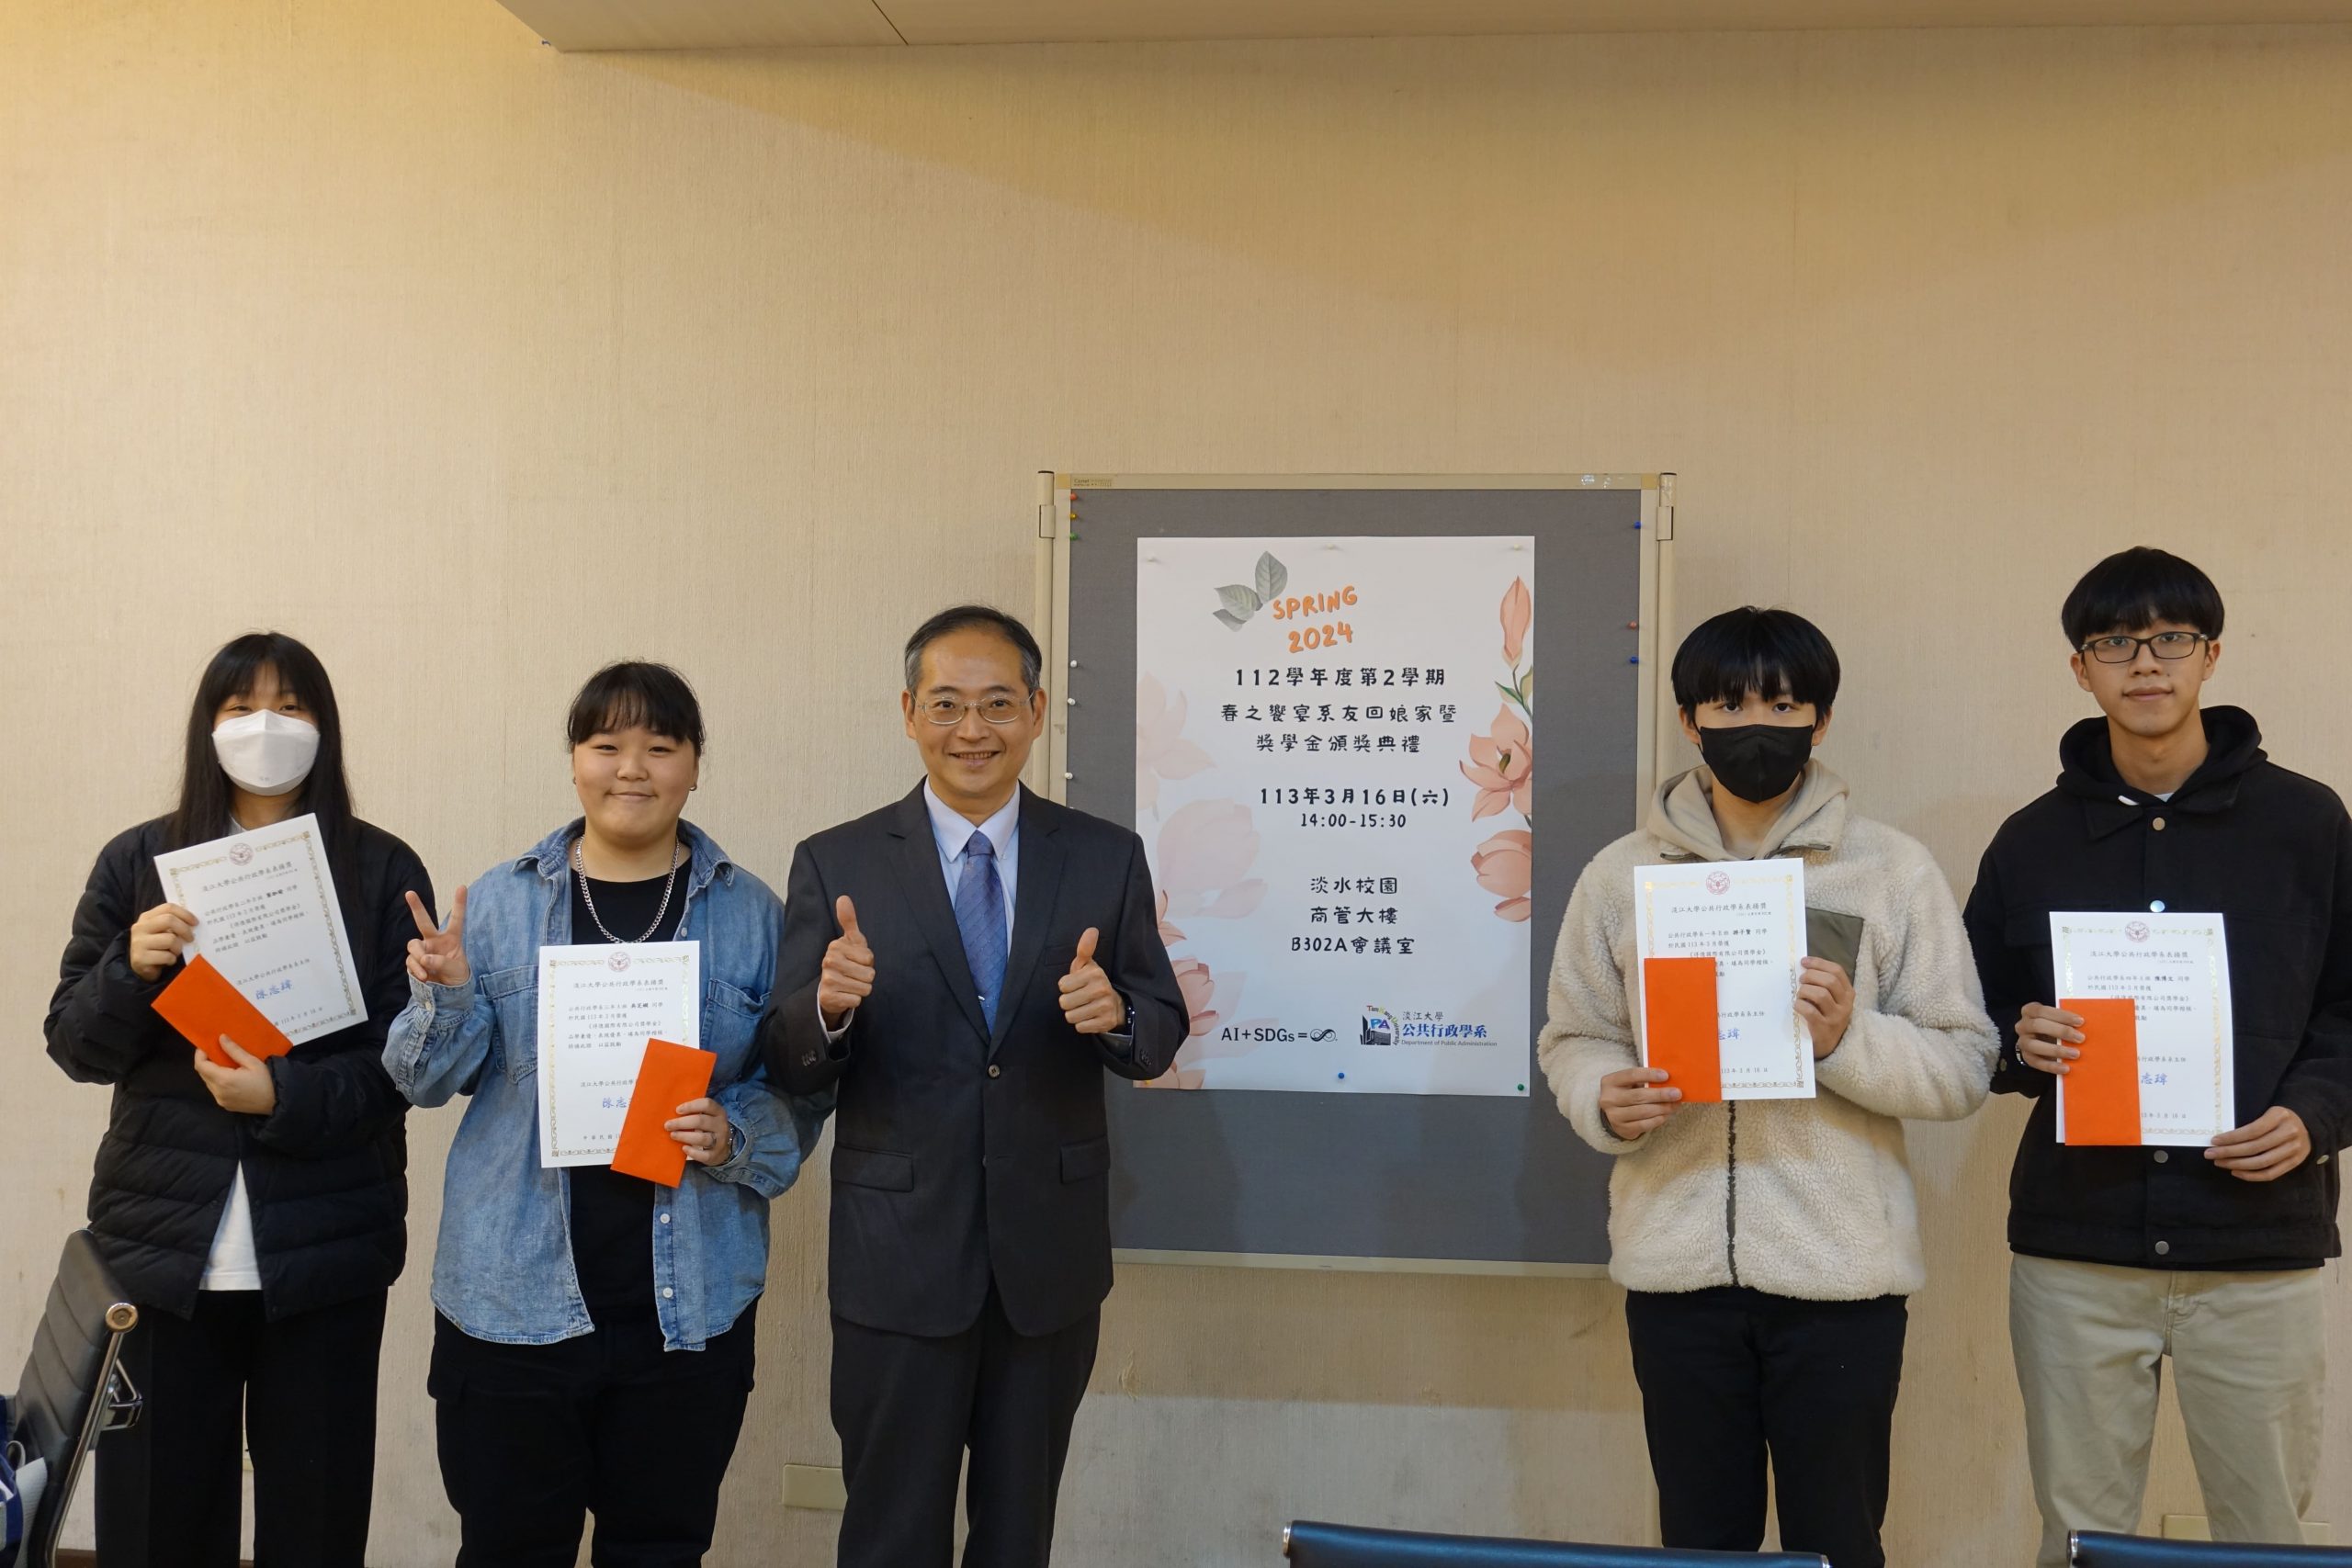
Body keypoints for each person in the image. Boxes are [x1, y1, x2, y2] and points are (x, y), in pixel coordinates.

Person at [1536, 606, 1996, 1568]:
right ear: (1688, 720)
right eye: (1729, 704)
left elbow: (1962, 1062)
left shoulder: (1890, 870)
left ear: (1820, 720)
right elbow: (1575, 1036)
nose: (1757, 725)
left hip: (1841, 1279)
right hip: (1675, 1275)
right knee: (1700, 1545)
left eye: (1783, 705)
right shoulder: (1621, 877)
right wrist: (1603, 1094)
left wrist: (1845, 1039)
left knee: (1837, 1543)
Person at [761, 604, 1188, 1568]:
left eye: (997, 703)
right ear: (908, 712)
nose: (972, 729)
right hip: (898, 1257)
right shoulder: (839, 860)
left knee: (1017, 1536)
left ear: (1035, 711)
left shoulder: (1105, 854)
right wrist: (827, 1006)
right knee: (890, 1534)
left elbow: (1160, 1028)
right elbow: (787, 1056)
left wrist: (1115, 1013)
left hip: (1048, 1262)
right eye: (947, 703)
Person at [384, 660, 823, 1568]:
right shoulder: (499, 903)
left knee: (659, 1550)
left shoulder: (752, 915)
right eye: (606, 744)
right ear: (574, 759)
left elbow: (800, 1089)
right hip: (512, 1302)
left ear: (694, 764)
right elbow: (424, 1082)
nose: (632, 768)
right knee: (507, 1550)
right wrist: (446, 993)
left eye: (660, 746)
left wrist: (731, 1134)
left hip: (688, 1305)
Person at [1963, 547, 2352, 1566]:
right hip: (2076, 1252)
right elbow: (1965, 1014)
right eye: (2114, 642)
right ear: (2079, 667)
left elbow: (2349, 1006)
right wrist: (2017, 1040)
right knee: (2080, 1538)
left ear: (2210, 655)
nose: (2145, 662)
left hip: (2256, 1243)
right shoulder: (2030, 841)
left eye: (2171, 637)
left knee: (2267, 1539)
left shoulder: (2308, 823)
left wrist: (2314, 1115)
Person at [45, 631, 431, 1568]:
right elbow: (74, 1045)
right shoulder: (140, 861)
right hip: (162, 1257)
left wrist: (280, 1094)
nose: (266, 726)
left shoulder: (380, 868)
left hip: (326, 1255)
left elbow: (404, 1066)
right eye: (240, 707)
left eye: (291, 707)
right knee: (155, 1524)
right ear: (207, 726)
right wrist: (129, 969)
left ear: (324, 727)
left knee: (316, 1521)